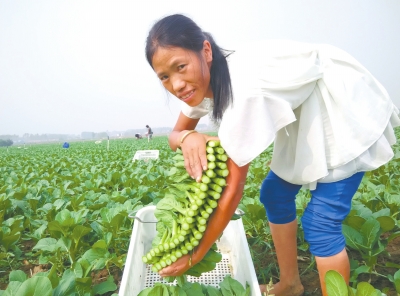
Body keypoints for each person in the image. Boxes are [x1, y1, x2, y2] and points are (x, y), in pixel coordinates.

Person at [145, 14, 400, 296]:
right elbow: (174, 135)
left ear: (206, 51)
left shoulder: (243, 91)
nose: (177, 84)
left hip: (341, 104)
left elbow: (232, 191)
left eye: (180, 66)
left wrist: (195, 253)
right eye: (165, 77)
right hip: (305, 109)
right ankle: (291, 285)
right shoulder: (201, 83)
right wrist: (187, 136)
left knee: (321, 222)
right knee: (274, 194)